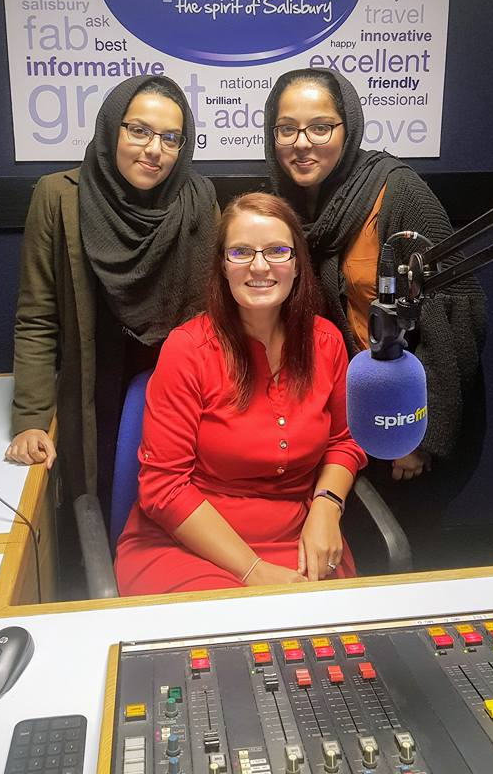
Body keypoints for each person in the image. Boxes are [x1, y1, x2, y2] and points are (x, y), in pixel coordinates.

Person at [114, 193, 366, 595]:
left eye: (277, 251)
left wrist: (327, 506)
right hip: (188, 545)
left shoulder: (327, 342)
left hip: (297, 538)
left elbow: (344, 441)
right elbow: (164, 488)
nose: (260, 265)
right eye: (241, 252)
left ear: (297, 264)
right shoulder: (187, 350)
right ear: (223, 266)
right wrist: (251, 570)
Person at [264, 68, 486, 498]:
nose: (302, 142)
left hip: (404, 419)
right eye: (286, 129)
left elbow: (458, 306)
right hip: (342, 421)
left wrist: (422, 433)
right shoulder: (283, 204)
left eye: (320, 127)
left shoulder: (395, 192)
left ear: (348, 128)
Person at [5, 75, 218, 521]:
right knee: (99, 504)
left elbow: (216, 316)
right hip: (94, 380)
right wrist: (30, 418)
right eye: (138, 130)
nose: (154, 149)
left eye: (170, 138)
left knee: (174, 501)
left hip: (174, 383)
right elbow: (37, 318)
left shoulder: (198, 200)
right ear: (110, 128)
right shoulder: (59, 196)